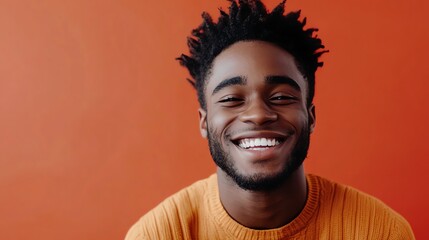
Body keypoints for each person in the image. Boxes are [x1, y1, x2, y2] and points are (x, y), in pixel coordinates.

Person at [125, 0, 415, 239]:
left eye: (281, 97)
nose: (258, 114)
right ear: (204, 121)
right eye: (231, 99)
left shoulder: (380, 231)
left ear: (310, 116)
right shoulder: (160, 234)